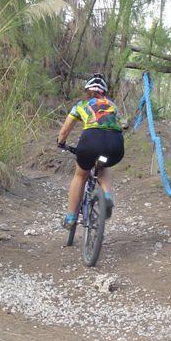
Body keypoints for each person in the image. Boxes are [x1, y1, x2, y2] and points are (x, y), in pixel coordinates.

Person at [57, 73, 125, 229]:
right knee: (103, 166)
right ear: (104, 92)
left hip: (91, 142)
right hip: (115, 145)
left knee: (80, 175)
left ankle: (71, 218)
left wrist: (61, 142)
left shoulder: (81, 105)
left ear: (87, 91)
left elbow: (65, 130)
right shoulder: (113, 106)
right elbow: (124, 125)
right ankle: (107, 196)